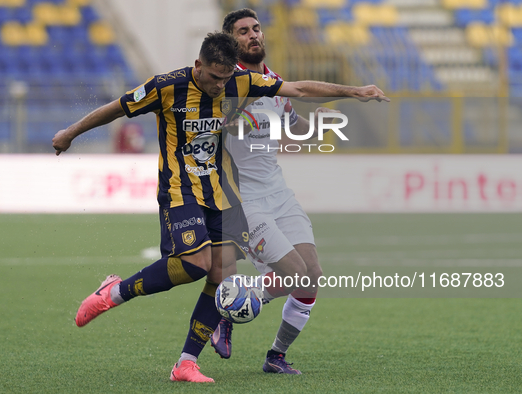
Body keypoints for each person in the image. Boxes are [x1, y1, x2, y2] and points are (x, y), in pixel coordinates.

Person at [53, 31, 387, 383]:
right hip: (180, 190)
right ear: (198, 66)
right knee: (197, 264)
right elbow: (116, 109)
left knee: (219, 274)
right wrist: (71, 132)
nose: (219, 86)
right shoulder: (166, 86)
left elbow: (298, 90)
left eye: (225, 78)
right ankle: (115, 292)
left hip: (220, 195)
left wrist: (355, 92)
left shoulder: (240, 82)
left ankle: (185, 363)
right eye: (213, 78)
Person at [211, 9, 388, 375]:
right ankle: (228, 308)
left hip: (278, 192)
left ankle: (275, 355)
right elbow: (303, 89)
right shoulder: (228, 84)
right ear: (232, 42)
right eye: (243, 32)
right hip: (244, 201)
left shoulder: (274, 82)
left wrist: (321, 129)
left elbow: (292, 118)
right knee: (293, 273)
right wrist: (355, 91)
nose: (253, 35)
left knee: (312, 275)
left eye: (256, 28)